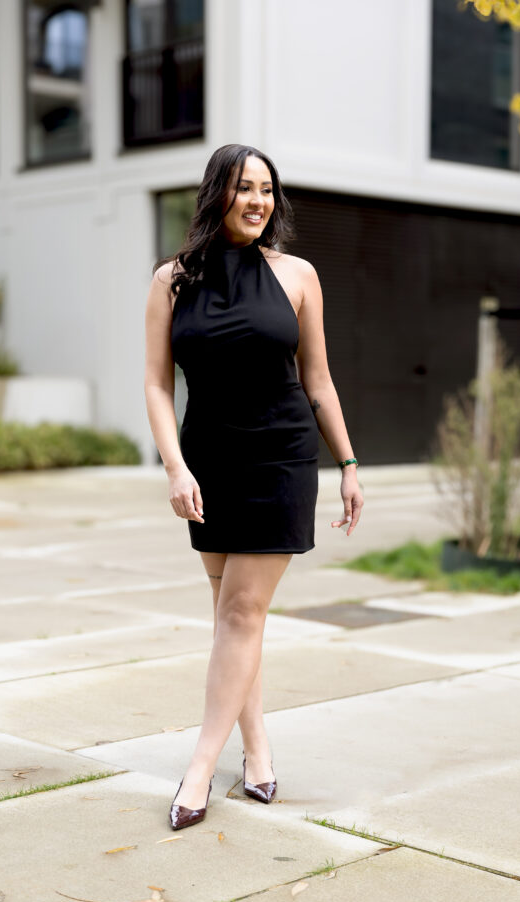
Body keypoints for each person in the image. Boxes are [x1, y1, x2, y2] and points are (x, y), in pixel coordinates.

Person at [144, 143, 363, 830]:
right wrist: (175, 466)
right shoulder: (172, 280)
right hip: (209, 461)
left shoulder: (298, 275)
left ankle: (200, 769)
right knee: (235, 619)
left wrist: (348, 464)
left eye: (267, 190)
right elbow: (156, 384)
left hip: (279, 456)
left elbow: (317, 378)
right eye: (244, 187)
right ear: (217, 194)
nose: (258, 201)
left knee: (241, 613)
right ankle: (259, 751)